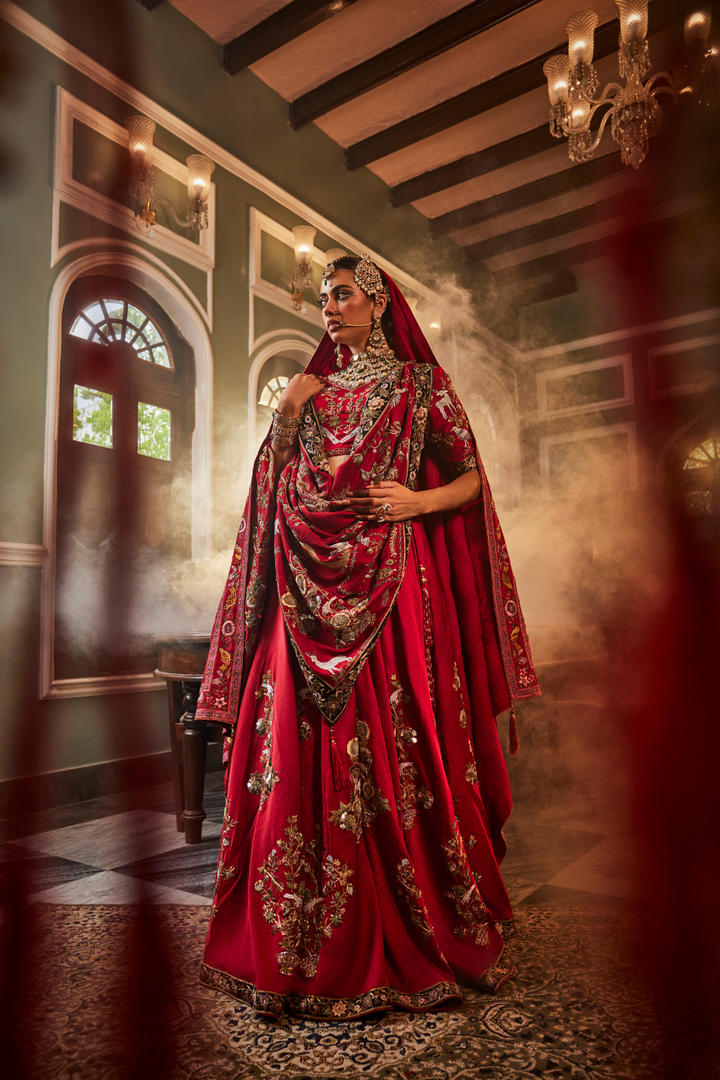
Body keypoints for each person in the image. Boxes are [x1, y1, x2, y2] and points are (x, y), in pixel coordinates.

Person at [195, 254, 540, 1019]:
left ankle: (414, 917)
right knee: (293, 740)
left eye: (342, 293)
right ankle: (298, 938)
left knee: (400, 735)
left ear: (379, 303)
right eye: (322, 296)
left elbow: (471, 479)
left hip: (394, 585)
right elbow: (276, 488)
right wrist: (286, 411)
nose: (328, 306)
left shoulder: (423, 388)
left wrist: (418, 502)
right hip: (304, 588)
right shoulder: (309, 393)